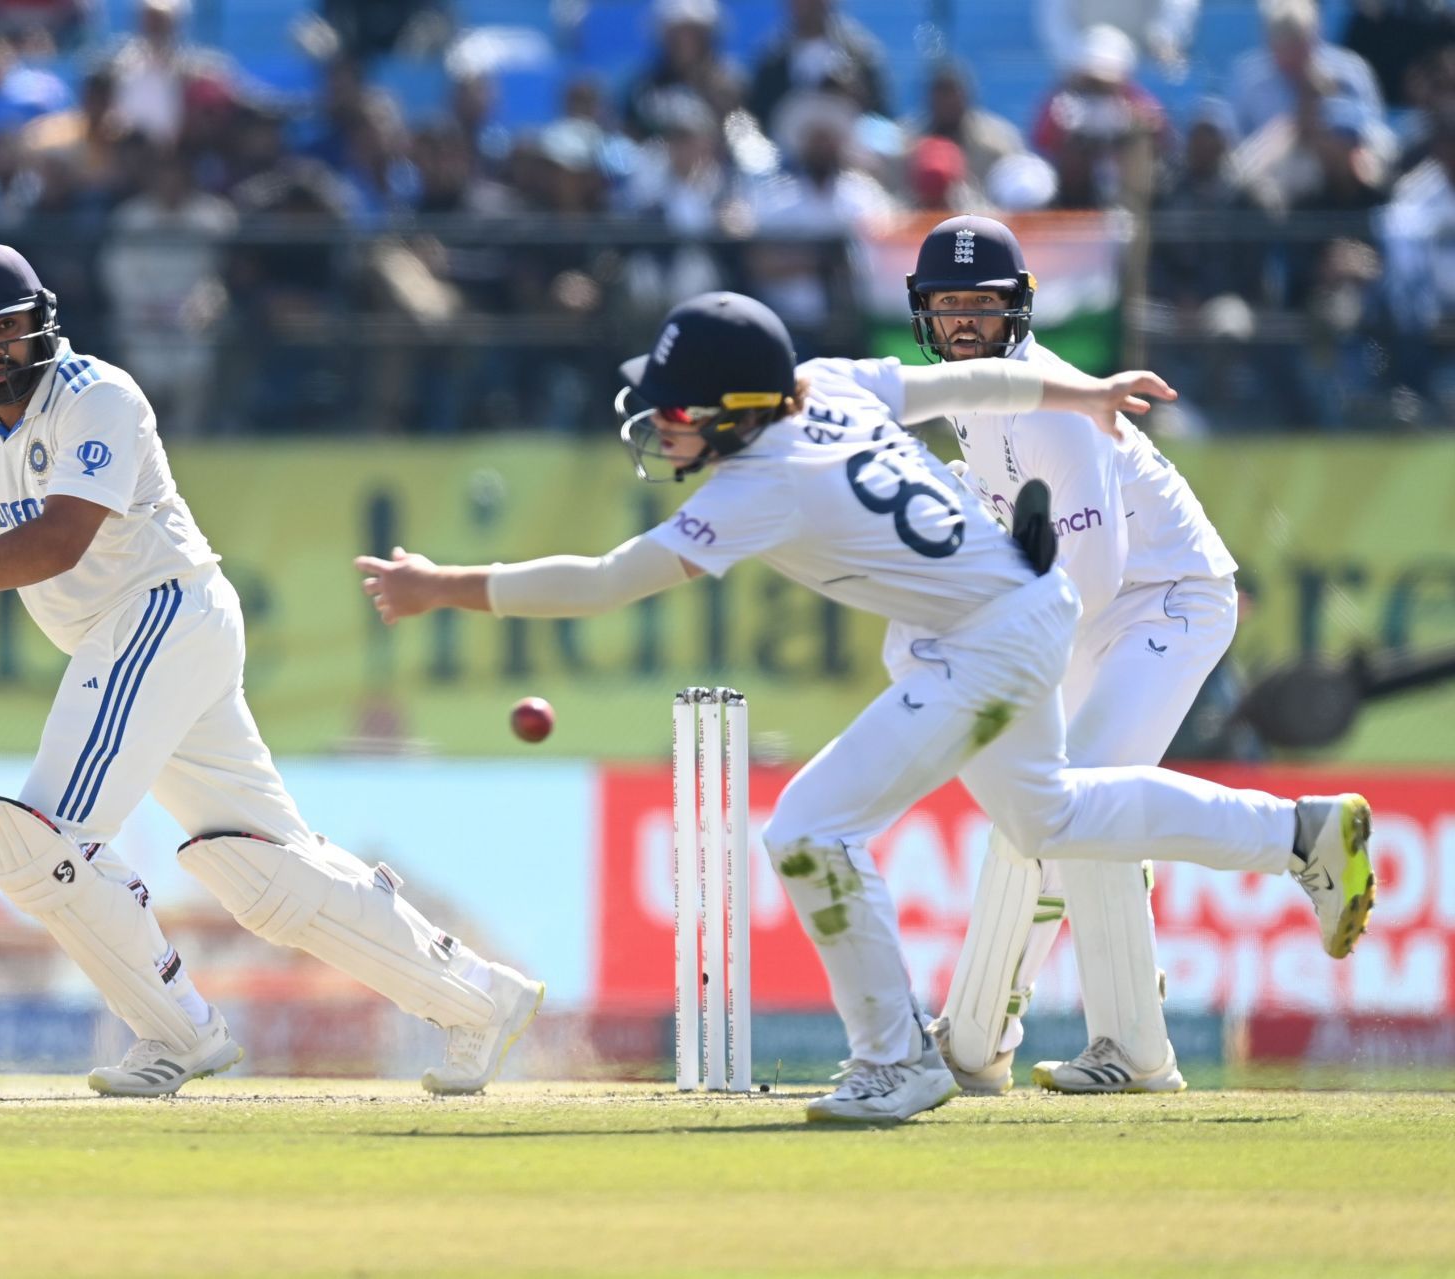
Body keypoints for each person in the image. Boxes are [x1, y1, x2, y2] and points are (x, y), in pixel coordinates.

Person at [353, 290, 1377, 1124]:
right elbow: (979, 376)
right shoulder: (830, 384)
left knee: (808, 826)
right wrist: (1086, 388)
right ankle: (1301, 832)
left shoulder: (758, 484)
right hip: (1015, 610)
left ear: (741, 406)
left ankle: (896, 1058)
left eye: (683, 407)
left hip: (988, 639)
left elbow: (606, 581)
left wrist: (446, 587)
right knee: (1050, 819)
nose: (667, 424)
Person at [0, 244, 544, 1097]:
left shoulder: (100, 397)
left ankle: (178, 1032)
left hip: (162, 614)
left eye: (4, 329)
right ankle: (481, 1000)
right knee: (265, 871)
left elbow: (57, 540)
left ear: (41, 324)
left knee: (43, 842)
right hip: (135, 641)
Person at [906, 214, 1241, 1095]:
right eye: (949, 306)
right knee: (1043, 814)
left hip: (1164, 598)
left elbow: (1092, 573)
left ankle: (1133, 1052)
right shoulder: (964, 400)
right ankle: (974, 1042)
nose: (965, 322)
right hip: (1090, 611)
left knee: (1080, 802)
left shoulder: (1046, 403)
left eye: (983, 305)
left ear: (1018, 310)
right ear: (924, 315)